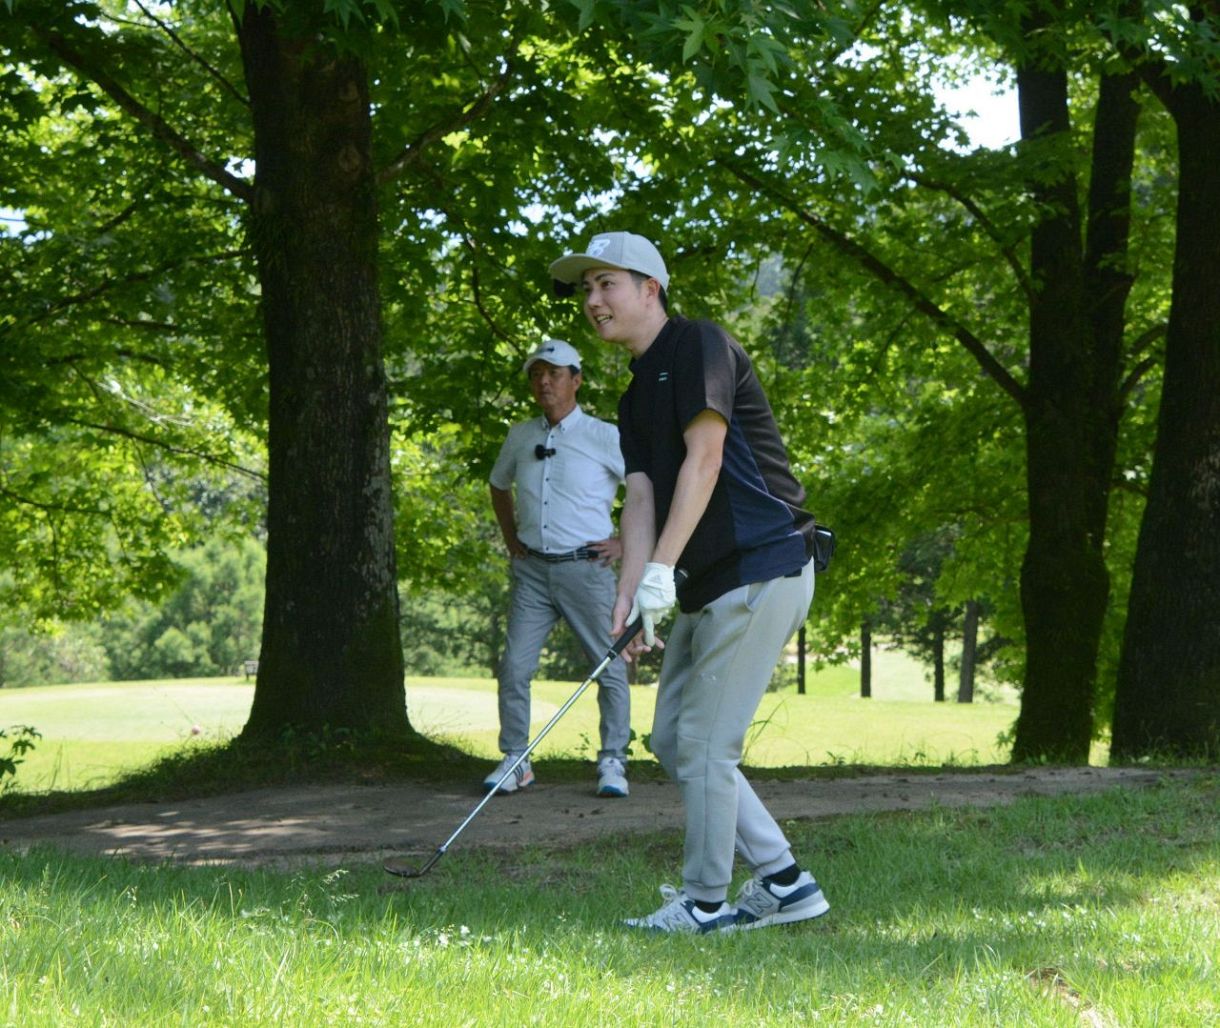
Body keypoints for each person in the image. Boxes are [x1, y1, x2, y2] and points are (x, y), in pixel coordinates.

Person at [549, 231, 829, 933]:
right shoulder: (635, 395)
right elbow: (640, 496)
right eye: (585, 289)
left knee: (707, 743)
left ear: (650, 289)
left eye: (605, 284)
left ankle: (705, 902)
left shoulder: (699, 343)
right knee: (674, 741)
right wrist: (631, 594)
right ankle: (786, 883)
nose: (592, 300)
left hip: (765, 566)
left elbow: (704, 461)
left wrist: (661, 573)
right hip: (706, 582)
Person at [486, 338, 632, 798]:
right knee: (514, 667)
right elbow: (498, 485)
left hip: (586, 570)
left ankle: (613, 761)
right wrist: (511, 539)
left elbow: (649, 492)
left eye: (553, 373)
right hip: (532, 571)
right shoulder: (520, 434)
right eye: (536, 374)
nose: (544, 381)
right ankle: (516, 759)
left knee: (609, 666)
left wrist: (625, 541)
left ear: (576, 380)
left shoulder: (605, 436)